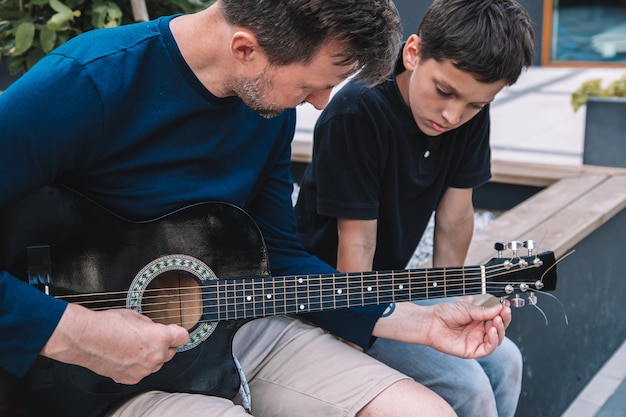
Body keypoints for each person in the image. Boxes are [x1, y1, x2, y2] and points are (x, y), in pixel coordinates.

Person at [0, 1, 513, 417]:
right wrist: (70, 332)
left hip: (238, 325)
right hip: (84, 377)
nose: (319, 102)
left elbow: (283, 259)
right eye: (313, 83)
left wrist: (418, 323)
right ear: (246, 48)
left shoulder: (268, 109)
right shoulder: (89, 82)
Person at [294, 1, 535, 416]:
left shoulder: (469, 111)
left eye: (475, 105)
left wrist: (451, 306)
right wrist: (353, 339)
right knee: (469, 386)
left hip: (395, 285)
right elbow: (357, 241)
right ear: (413, 53)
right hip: (330, 295)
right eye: (444, 91)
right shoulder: (357, 112)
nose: (452, 114)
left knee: (507, 361)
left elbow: (456, 216)